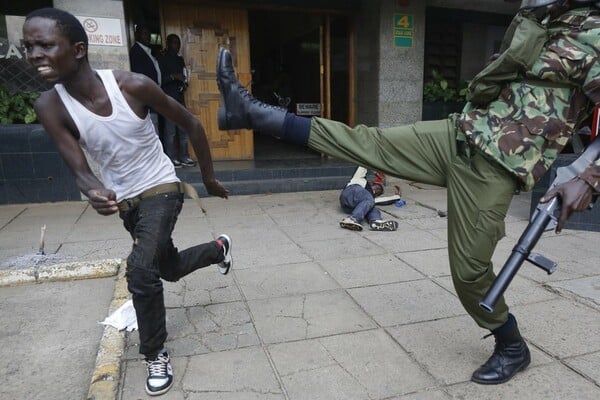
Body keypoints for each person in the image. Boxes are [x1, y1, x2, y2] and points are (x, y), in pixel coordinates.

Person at [215, 0, 600, 385]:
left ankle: (512, 345)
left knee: (469, 273)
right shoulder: (543, 16)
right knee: (368, 142)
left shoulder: (594, 32)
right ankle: (252, 113)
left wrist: (587, 178)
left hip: (496, 167)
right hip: (460, 133)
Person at [23, 8, 232, 396]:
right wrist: (92, 189)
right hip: (126, 201)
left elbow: (192, 123)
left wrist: (207, 177)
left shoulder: (132, 86)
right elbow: (79, 167)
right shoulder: (50, 106)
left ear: (79, 49)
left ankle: (154, 353)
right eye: (29, 46)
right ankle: (218, 249)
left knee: (139, 271)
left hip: (161, 187)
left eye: (46, 45)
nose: (35, 54)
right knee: (165, 268)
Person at [158, 33, 196, 168]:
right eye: (174, 43)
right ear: (168, 44)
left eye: (178, 43)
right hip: (168, 99)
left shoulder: (180, 60)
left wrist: (184, 82)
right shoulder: (162, 60)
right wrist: (174, 77)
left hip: (180, 98)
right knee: (170, 131)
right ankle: (171, 158)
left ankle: (184, 156)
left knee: (183, 129)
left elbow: (184, 75)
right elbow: (159, 80)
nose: (177, 46)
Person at [339, 166, 399, 231]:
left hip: (351, 208)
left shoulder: (369, 199)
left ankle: (376, 222)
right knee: (369, 199)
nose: (377, 191)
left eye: (379, 192)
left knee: (373, 208)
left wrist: (397, 197)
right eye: (378, 187)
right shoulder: (360, 179)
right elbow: (362, 165)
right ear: (372, 184)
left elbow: (383, 200)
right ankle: (352, 219)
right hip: (350, 192)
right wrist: (375, 172)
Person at [129, 23, 162, 140]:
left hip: (152, 98)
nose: (147, 37)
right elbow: (139, 78)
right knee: (152, 131)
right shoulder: (137, 52)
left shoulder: (148, 52)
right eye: (144, 34)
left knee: (155, 128)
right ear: (137, 35)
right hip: (146, 100)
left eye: (149, 35)